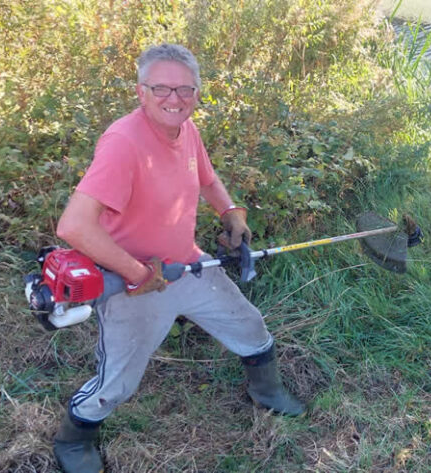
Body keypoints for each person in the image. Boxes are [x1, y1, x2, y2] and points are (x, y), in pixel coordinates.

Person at [52, 43, 304, 473]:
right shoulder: (123, 143)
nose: (175, 99)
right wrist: (135, 273)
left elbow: (208, 179)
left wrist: (232, 214)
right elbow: (73, 226)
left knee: (249, 326)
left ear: (197, 93)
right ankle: (74, 440)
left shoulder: (186, 130)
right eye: (162, 89)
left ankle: (266, 390)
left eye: (185, 90)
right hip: (133, 282)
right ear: (141, 92)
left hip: (186, 265)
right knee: (117, 383)